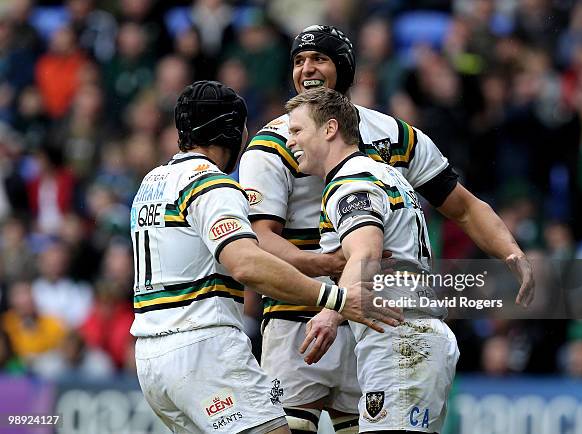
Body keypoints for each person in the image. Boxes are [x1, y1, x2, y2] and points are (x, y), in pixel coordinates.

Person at [239, 25, 535, 433]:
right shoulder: (273, 144)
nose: (306, 68)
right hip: (299, 317)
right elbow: (260, 239)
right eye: (298, 60)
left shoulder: (393, 137)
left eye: (318, 59)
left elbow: (463, 206)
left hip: (375, 318)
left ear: (343, 68)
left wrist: (509, 250)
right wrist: (326, 269)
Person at [130, 80, 401, 434]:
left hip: (150, 356)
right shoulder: (211, 184)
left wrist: (320, 263)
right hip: (203, 346)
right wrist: (334, 298)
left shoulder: (152, 182)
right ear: (231, 131)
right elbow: (246, 263)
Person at [286, 85, 459, 433]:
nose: (289, 141)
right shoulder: (384, 173)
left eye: (296, 130)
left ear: (330, 128)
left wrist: (330, 314)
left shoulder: (351, 181)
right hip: (415, 335)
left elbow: (367, 251)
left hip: (401, 339)